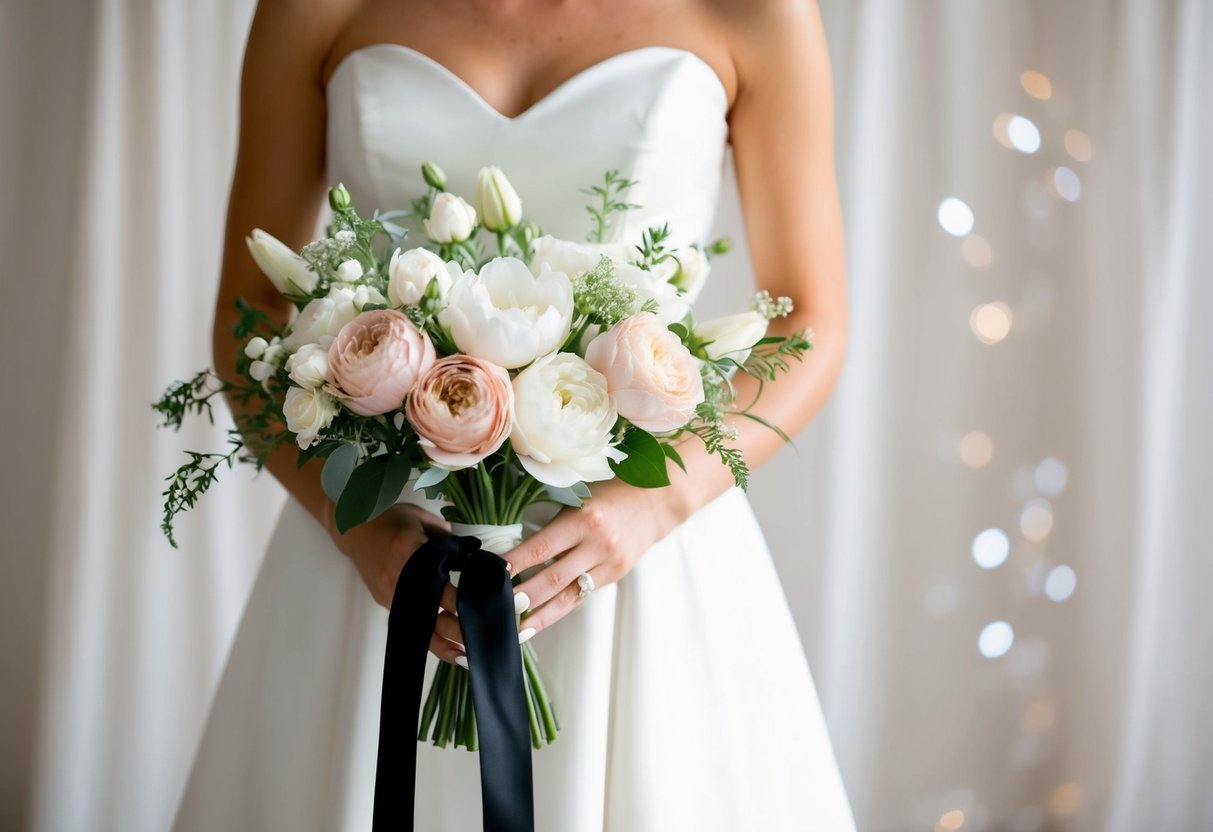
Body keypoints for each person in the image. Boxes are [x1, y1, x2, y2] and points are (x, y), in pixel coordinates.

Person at [174, 0, 856, 829]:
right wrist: (353, 524)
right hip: (384, 552)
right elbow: (247, 312)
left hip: (639, 553)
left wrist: (653, 505)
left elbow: (809, 322)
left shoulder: (758, 12)